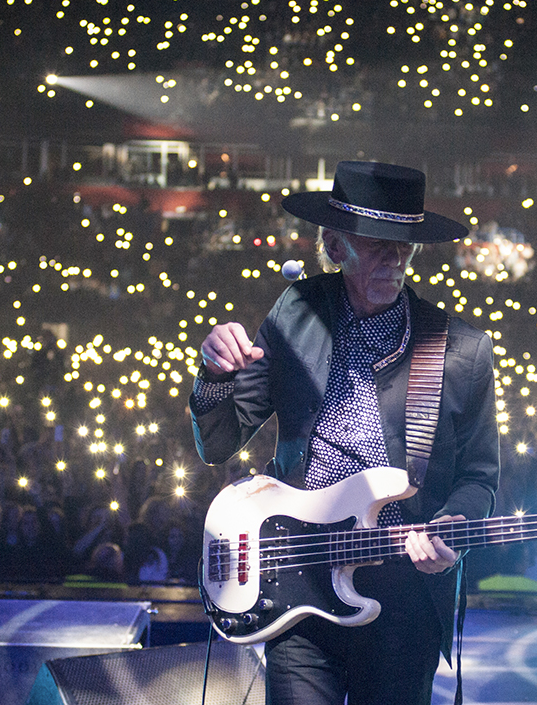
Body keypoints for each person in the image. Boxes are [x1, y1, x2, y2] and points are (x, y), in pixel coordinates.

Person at [190, 161, 500, 705]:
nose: (396, 256)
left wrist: (456, 524)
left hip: (402, 591)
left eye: (405, 243)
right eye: (377, 241)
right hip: (296, 584)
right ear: (334, 245)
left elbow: (480, 478)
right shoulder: (295, 311)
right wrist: (215, 377)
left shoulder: (461, 350)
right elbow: (218, 443)